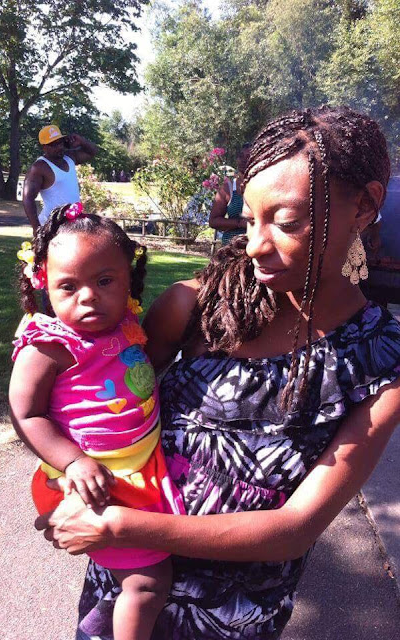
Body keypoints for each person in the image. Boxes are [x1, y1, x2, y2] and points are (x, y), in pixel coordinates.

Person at [36, 106, 400, 640]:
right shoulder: (198, 307)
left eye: (286, 222)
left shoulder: (381, 362)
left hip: (234, 617)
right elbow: (99, 405)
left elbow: (294, 530)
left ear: (365, 206)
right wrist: (67, 476)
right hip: (126, 587)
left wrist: (118, 524)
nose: (255, 244)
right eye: (250, 220)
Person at [9, 203, 183, 640]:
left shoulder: (126, 326)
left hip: (140, 468)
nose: (87, 296)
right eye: (68, 286)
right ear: (44, 284)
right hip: (94, 479)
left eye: (104, 281)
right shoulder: (48, 346)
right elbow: (26, 414)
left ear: (129, 280)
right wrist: (73, 462)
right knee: (146, 584)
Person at [22, 125, 98, 235]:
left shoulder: (70, 157)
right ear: (44, 147)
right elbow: (28, 198)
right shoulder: (39, 167)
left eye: (60, 142)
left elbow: (93, 152)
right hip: (52, 226)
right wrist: (36, 228)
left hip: (73, 223)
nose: (59, 147)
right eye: (53, 144)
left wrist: (81, 141)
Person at [209, 143, 251, 245]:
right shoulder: (228, 188)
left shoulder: (265, 186)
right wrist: (239, 223)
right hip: (231, 248)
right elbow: (213, 221)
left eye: (248, 156)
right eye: (241, 156)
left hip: (257, 246)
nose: (243, 160)